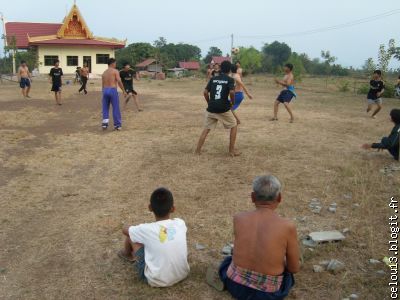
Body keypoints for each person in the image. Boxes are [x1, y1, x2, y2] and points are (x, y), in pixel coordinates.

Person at [214, 175, 300, 300]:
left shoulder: (239, 218)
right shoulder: (287, 226)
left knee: (228, 260)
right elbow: (294, 268)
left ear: (253, 197)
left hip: (235, 285)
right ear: (280, 198)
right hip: (267, 295)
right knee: (287, 275)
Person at [119, 187, 190, 287]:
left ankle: (127, 254)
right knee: (156, 239)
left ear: (150, 208)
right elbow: (164, 235)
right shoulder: (180, 223)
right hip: (182, 273)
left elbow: (125, 230)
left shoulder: (146, 229)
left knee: (132, 236)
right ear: (173, 208)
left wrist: (131, 227)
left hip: (156, 280)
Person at [195, 60, 240, 157]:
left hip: (211, 108)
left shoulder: (213, 79)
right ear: (229, 70)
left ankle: (197, 151)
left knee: (206, 129)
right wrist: (232, 102)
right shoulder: (230, 80)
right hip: (223, 108)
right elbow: (232, 92)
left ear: (220, 68)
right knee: (234, 125)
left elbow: (205, 92)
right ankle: (231, 151)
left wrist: (209, 102)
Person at [101, 58, 126, 130]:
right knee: (115, 107)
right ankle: (117, 125)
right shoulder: (115, 71)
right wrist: (123, 90)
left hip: (105, 90)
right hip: (112, 90)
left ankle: (105, 124)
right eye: (115, 63)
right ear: (112, 63)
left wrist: (103, 93)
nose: (116, 64)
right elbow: (119, 81)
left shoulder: (104, 72)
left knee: (105, 107)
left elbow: (102, 84)